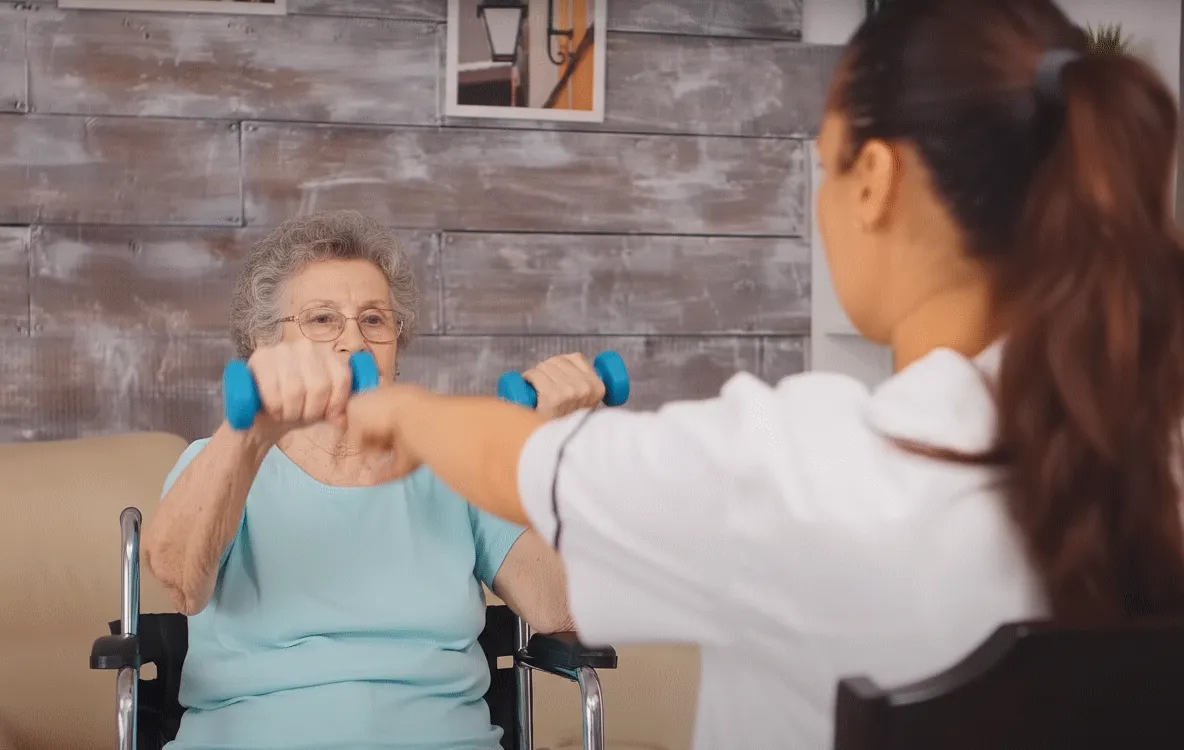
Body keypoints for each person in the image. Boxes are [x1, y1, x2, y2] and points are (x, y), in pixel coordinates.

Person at [343, 1, 1184, 748]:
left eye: (825, 168)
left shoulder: (806, 467)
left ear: (876, 183)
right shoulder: (1149, 453)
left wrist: (401, 413)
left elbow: (505, 461)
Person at [141, 210, 609, 750]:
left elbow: (561, 608)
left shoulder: (449, 465)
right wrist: (251, 432)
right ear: (268, 346)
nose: (355, 343)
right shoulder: (219, 460)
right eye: (322, 320)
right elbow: (179, 584)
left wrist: (544, 454)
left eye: (374, 320)